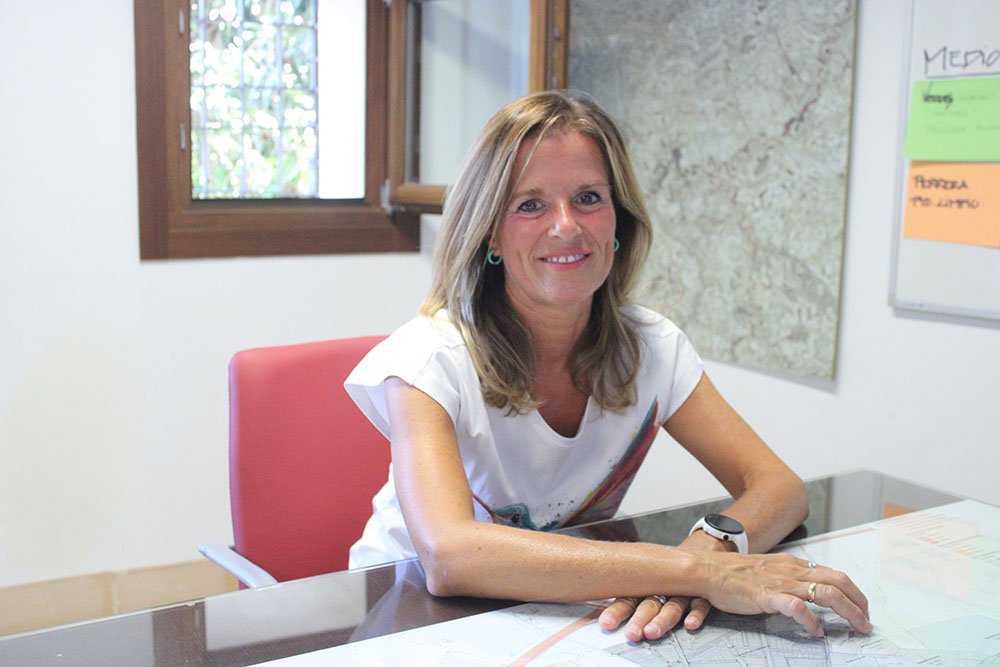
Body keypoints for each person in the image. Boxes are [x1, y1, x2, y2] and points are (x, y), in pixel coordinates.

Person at [344, 90, 871, 641]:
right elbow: (450, 555)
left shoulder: (652, 348)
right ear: (491, 232)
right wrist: (699, 573)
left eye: (589, 197)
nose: (566, 225)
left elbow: (780, 487)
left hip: (546, 611)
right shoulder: (426, 358)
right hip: (403, 613)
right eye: (530, 204)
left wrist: (711, 548)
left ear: (618, 220)